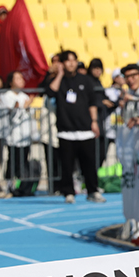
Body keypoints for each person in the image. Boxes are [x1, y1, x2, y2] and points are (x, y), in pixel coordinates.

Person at [46, 51, 106, 204]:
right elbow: (51, 92)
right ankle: (68, 192)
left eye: (74, 60)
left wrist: (94, 121)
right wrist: (59, 74)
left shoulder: (85, 80)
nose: (71, 63)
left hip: (85, 130)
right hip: (66, 131)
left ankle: (92, 190)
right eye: (68, 61)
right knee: (67, 165)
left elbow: (92, 103)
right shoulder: (58, 81)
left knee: (89, 164)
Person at [1, 71, 38, 195]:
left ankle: (22, 186)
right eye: (17, 78)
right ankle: (9, 185)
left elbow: (29, 115)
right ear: (11, 82)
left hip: (25, 136)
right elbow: (12, 117)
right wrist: (22, 108)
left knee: (24, 161)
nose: (21, 80)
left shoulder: (24, 96)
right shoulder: (7, 96)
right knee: (13, 161)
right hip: (14, 136)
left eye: (21, 78)